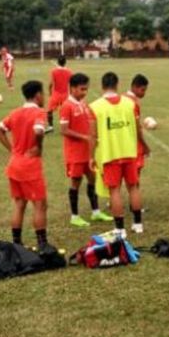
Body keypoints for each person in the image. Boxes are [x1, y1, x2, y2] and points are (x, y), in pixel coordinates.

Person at [0, 80, 50, 249]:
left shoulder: (16, 112)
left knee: (19, 204)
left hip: (14, 164)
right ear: (38, 95)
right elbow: (39, 130)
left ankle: (16, 244)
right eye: (43, 93)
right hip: (30, 166)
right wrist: (38, 146)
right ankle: (42, 244)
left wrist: (12, 150)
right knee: (40, 205)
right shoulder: (39, 112)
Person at [89, 72, 142, 239]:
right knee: (133, 187)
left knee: (114, 190)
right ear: (117, 84)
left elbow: (93, 136)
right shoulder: (130, 103)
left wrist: (91, 157)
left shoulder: (95, 107)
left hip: (110, 154)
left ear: (102, 86)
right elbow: (139, 128)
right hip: (129, 152)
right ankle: (138, 224)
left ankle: (120, 229)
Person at [59, 73, 113, 227]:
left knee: (93, 179)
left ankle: (95, 212)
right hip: (74, 154)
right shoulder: (66, 106)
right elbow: (63, 130)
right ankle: (74, 216)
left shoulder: (82, 103)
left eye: (86, 89)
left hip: (88, 152)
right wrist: (85, 137)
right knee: (75, 183)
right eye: (82, 89)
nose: (84, 92)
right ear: (73, 88)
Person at [125, 74, 151, 233]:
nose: (144, 93)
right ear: (135, 87)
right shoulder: (133, 102)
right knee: (134, 179)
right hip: (133, 145)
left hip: (123, 144)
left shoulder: (123, 97)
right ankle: (134, 206)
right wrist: (145, 145)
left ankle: (131, 204)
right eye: (143, 89)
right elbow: (136, 128)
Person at [47, 55, 73, 132]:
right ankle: (68, 126)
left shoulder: (54, 71)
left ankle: (50, 126)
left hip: (56, 94)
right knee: (66, 111)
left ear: (58, 62)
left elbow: (51, 84)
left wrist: (50, 92)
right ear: (65, 62)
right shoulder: (69, 72)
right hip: (65, 95)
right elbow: (71, 85)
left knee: (49, 111)